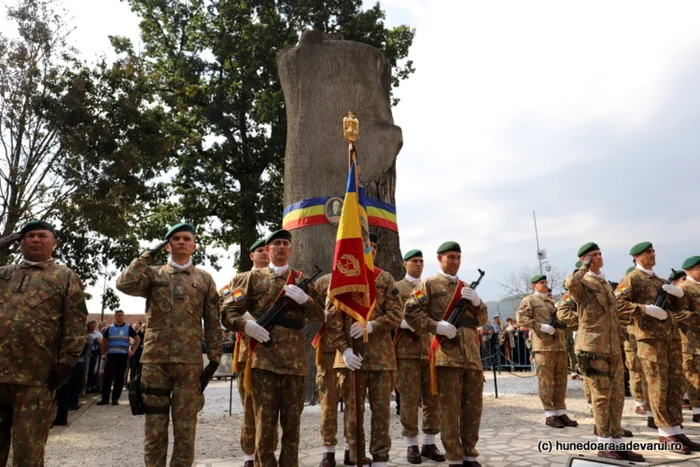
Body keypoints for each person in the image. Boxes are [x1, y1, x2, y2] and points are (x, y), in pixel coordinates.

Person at [116, 222, 222, 466]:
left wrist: (215, 358)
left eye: (187, 238)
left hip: (189, 363)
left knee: (186, 429)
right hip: (155, 362)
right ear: (167, 246)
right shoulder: (153, 274)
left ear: (194, 246)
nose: (181, 242)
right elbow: (123, 283)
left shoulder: (204, 279)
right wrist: (146, 255)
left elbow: (213, 321)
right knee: (154, 427)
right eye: (175, 239)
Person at [220, 229, 324, 467]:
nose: (280, 247)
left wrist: (305, 300)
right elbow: (227, 311)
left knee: (292, 425)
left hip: (294, 364)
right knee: (264, 424)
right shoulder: (252, 279)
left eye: (285, 243)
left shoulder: (301, 279)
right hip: (263, 363)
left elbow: (322, 316)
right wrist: (247, 326)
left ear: (290, 249)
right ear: (267, 250)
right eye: (275, 243)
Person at [0, 220, 88, 466]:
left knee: (28, 452)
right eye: (29, 236)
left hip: (36, 378)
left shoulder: (65, 277)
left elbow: (76, 323)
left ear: (54, 243)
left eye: (42, 235)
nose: (35, 240)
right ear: (20, 241)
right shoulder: (4, 273)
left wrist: (67, 362)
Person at [404, 241, 488, 467]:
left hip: (471, 358)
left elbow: (481, 320)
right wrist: (435, 326)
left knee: (473, 410)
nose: (455, 261)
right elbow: (411, 312)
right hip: (446, 357)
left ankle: (470, 453)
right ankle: (454, 457)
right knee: (449, 411)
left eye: (458, 257)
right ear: (439, 258)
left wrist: (477, 302)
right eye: (451, 257)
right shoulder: (428, 284)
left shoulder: (466, 286)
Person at [559, 242, 644, 462]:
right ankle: (604, 443)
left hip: (613, 346)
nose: (598, 257)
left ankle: (617, 441)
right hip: (593, 347)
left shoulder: (604, 282)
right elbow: (570, 284)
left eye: (599, 254)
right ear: (584, 259)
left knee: (617, 397)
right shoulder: (583, 282)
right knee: (601, 396)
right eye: (593, 255)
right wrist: (583, 267)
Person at [326, 233, 402, 467]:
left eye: (374, 247)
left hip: (381, 358)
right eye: (365, 247)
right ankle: (356, 456)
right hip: (351, 359)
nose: (371, 251)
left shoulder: (385, 278)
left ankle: (380, 458)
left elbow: (397, 314)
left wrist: (373, 325)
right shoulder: (341, 278)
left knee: (381, 411)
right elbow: (332, 318)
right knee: (353, 412)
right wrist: (344, 350)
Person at [616, 242, 700, 454]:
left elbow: (678, 307)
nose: (652, 254)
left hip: (670, 339)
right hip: (649, 340)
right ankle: (664, 432)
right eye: (648, 252)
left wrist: (679, 294)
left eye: (653, 251)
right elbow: (619, 305)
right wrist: (645, 310)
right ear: (636, 256)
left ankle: (675, 428)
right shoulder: (631, 279)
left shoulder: (660, 280)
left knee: (674, 385)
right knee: (658, 385)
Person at [219, 237, 269, 467]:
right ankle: (249, 456)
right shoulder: (240, 279)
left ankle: (266, 453)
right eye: (260, 250)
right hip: (247, 351)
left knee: (270, 408)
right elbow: (225, 305)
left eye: (267, 250)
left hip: (274, 351)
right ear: (251, 256)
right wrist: (248, 320)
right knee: (249, 405)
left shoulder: (276, 278)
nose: (265, 253)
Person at [393, 249, 444, 463]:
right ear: (405, 264)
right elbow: (391, 314)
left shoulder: (429, 287)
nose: (419, 264)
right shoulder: (396, 287)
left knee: (432, 398)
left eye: (422, 261)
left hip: (430, 350)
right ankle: (411, 445)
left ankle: (429, 442)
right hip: (407, 352)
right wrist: (407, 324)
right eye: (414, 261)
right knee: (409, 400)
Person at [517, 274, 576, 428]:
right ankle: (550, 414)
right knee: (546, 381)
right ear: (534, 286)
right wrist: (540, 326)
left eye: (545, 282)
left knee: (561, 381)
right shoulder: (529, 300)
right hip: (543, 347)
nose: (544, 284)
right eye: (541, 282)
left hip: (559, 346)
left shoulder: (552, 302)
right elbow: (521, 318)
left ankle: (560, 411)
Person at [97, 310, 140, 406]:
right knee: (107, 377)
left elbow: (137, 339)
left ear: (123, 316)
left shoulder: (128, 327)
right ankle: (104, 399)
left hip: (123, 355)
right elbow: (103, 342)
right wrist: (103, 353)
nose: (120, 317)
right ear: (115, 316)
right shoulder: (110, 328)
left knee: (119, 377)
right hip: (111, 355)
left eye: (121, 315)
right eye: (118, 315)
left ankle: (115, 398)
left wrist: (132, 351)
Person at [676, 257, 700, 423]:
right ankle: (697, 410)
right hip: (692, 341)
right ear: (688, 271)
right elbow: (678, 314)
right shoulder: (684, 288)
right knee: (694, 378)